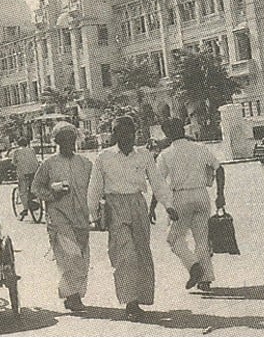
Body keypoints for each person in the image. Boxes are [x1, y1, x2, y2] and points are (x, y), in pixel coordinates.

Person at [87, 116, 178, 321]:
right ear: (114, 135)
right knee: (125, 255)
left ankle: (141, 298)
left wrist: (169, 205)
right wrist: (93, 214)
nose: (127, 137)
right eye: (121, 133)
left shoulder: (143, 155)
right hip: (114, 206)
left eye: (130, 133)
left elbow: (157, 181)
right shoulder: (104, 157)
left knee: (142, 252)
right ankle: (130, 302)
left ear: (135, 133)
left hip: (137, 204)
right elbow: (94, 188)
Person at [156, 118, 225, 292]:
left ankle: (193, 266)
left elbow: (159, 184)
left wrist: (156, 206)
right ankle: (206, 279)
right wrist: (220, 195)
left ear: (166, 134)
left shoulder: (165, 154)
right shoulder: (200, 148)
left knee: (173, 238)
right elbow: (219, 168)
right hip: (201, 195)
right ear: (183, 129)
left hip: (180, 197)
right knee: (201, 238)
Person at [31, 122, 93, 312]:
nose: (69, 143)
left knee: (82, 257)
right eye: (64, 140)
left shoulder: (85, 163)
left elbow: (95, 189)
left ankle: (74, 294)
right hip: (59, 217)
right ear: (57, 141)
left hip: (82, 216)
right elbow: (36, 188)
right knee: (70, 256)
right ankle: (72, 296)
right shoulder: (48, 164)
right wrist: (52, 192)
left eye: (71, 139)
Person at [9, 136, 41, 220]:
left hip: (23, 173)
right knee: (33, 186)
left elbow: (13, 163)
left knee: (22, 191)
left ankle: (25, 209)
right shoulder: (31, 150)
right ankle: (35, 199)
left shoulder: (16, 152)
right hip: (34, 172)